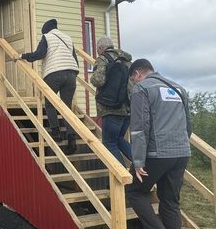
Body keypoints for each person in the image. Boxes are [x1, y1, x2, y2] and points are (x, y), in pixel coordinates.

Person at [125, 59, 192, 229]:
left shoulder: (142, 89)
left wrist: (137, 161)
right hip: (181, 153)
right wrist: (180, 145)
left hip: (156, 153)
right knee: (170, 202)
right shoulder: (178, 88)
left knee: (135, 191)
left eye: (132, 80)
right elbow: (188, 125)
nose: (133, 84)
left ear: (137, 74)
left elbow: (138, 128)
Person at [18, 18, 79, 153]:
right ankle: (71, 139)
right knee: (66, 108)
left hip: (54, 73)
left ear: (45, 30)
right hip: (71, 75)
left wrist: (23, 56)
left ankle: (56, 134)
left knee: (50, 103)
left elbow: (39, 54)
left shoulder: (47, 37)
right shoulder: (68, 38)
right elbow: (75, 60)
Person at [90, 36, 132, 165]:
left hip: (111, 109)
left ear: (101, 48)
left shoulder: (103, 59)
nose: (97, 52)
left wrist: (92, 77)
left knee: (109, 144)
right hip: (128, 109)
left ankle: (123, 178)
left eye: (97, 49)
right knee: (119, 139)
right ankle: (142, 165)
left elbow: (98, 80)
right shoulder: (127, 61)